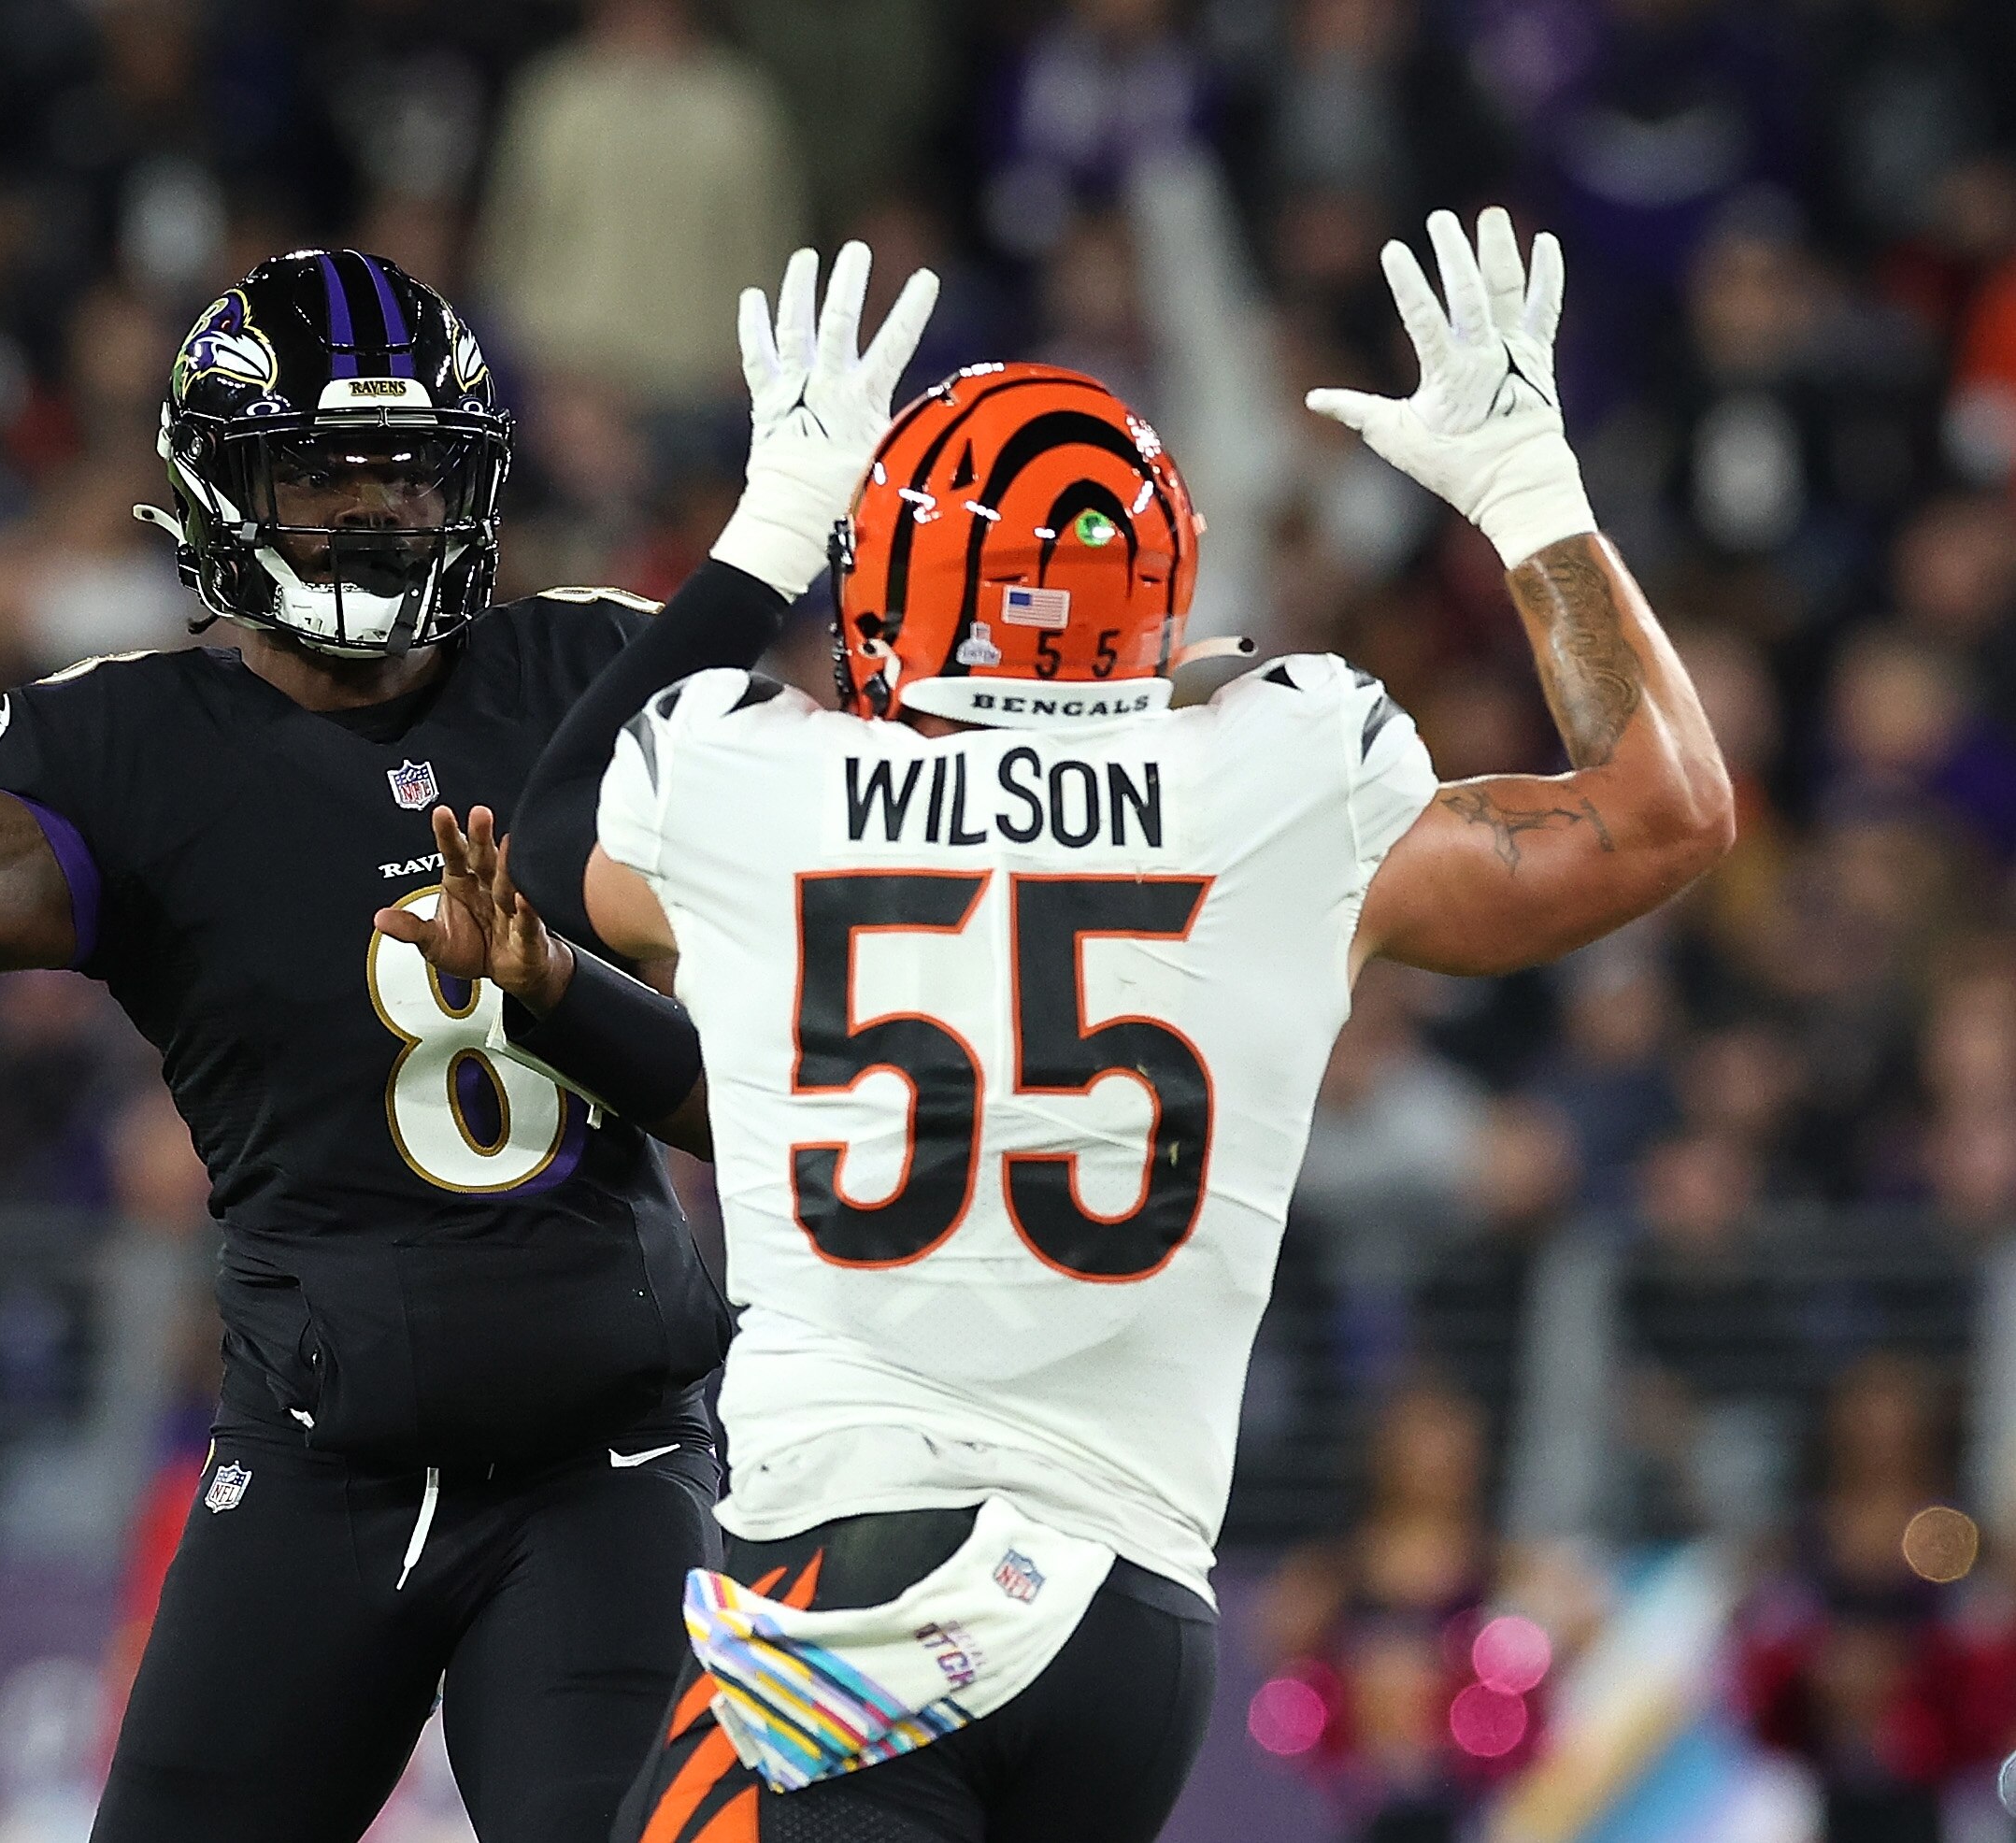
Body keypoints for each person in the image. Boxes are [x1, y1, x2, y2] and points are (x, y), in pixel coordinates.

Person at [0, 247, 926, 1843]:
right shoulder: (131, 745)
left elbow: (866, 904)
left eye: (411, 475)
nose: (374, 511)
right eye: (322, 469)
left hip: (603, 1462)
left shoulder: (588, 671)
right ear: (218, 490)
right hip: (317, 1465)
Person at [423, 212, 1730, 1840]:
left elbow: (537, 853)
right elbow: (1661, 810)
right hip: (1131, 1620)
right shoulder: (1277, 776)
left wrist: (765, 529)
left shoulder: (758, 782)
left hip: (861, 1580)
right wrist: (1532, 499)